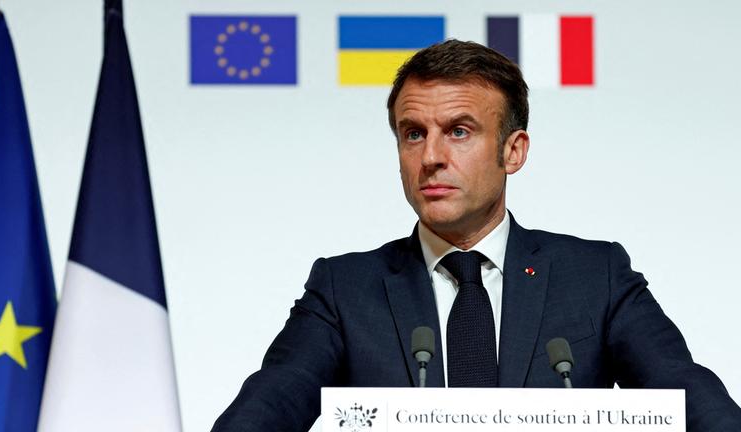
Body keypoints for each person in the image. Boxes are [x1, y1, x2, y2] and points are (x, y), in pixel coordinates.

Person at [212, 39, 741, 431]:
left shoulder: (594, 277)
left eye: (459, 131)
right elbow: (275, 398)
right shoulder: (345, 287)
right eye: (413, 133)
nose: (431, 156)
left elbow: (687, 394)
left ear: (513, 151)